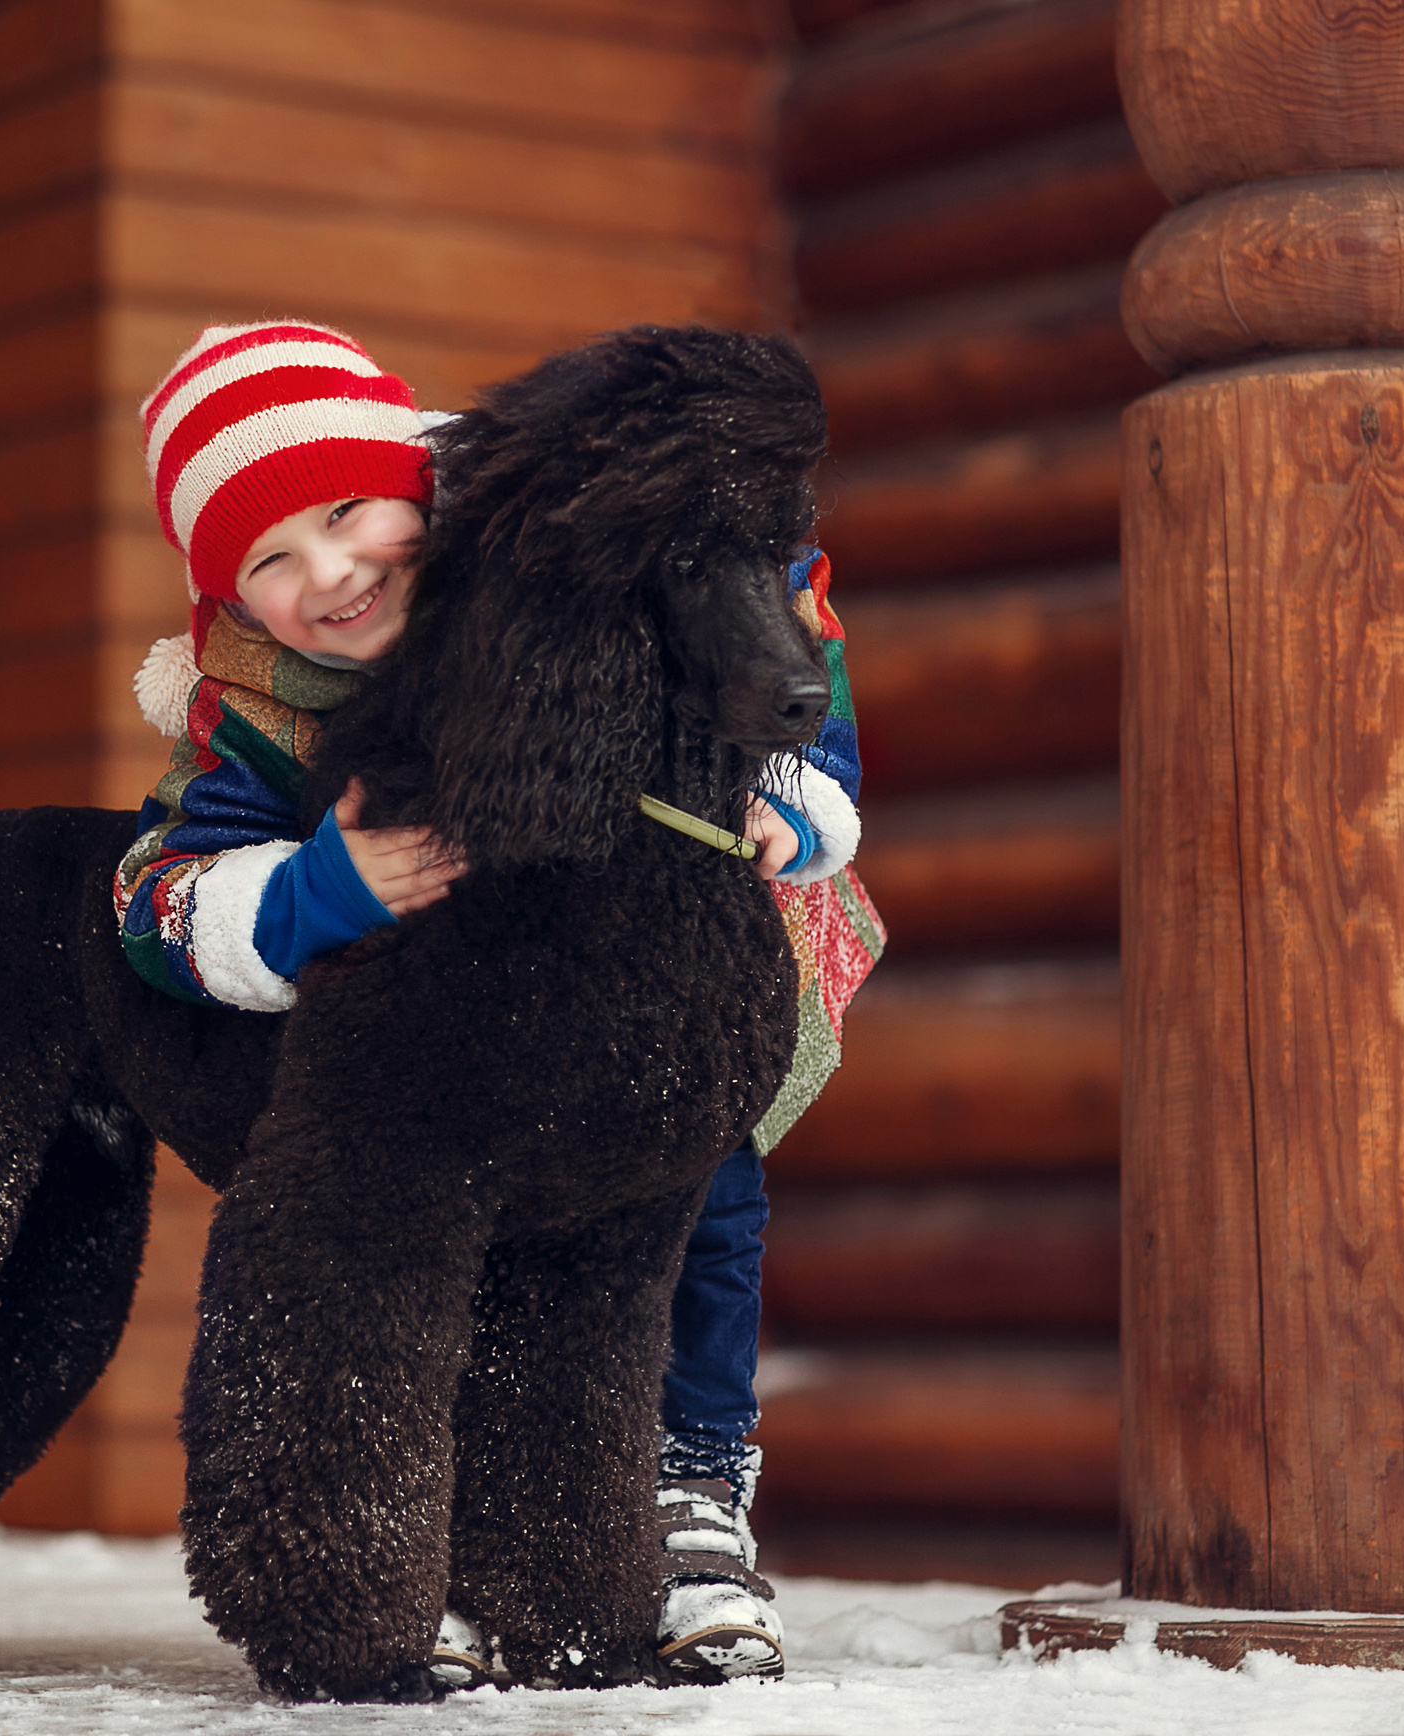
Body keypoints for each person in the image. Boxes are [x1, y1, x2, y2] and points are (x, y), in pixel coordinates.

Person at [115, 321, 882, 1685]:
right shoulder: (259, 705)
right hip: (442, 1022)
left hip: (678, 960)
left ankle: (691, 1476)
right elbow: (159, 889)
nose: (329, 574)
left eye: (345, 516)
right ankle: (430, 1528)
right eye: (267, 561)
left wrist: (798, 792)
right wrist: (315, 888)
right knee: (420, 1232)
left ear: (424, 488)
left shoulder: (558, 540)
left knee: (706, 1189)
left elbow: (778, 606)